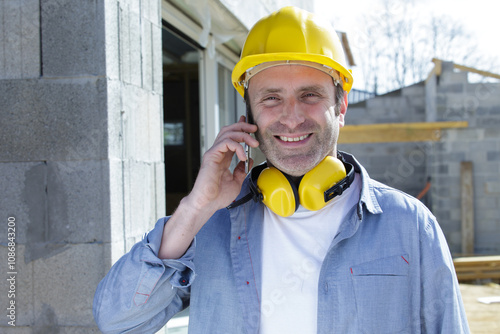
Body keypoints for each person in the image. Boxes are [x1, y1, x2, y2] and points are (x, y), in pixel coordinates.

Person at [93, 6, 470, 333]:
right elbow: (117, 321)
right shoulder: (210, 224)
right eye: (271, 98)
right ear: (248, 117)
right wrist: (194, 208)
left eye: (310, 95)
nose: (291, 117)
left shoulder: (409, 226)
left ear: (341, 107)